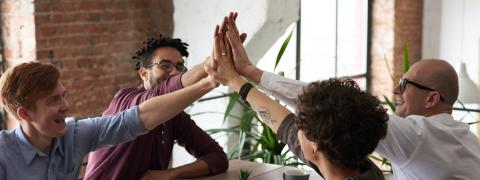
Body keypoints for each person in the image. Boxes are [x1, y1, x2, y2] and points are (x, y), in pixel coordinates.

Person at [222, 12, 480, 180]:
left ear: (432, 98)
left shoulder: (420, 137)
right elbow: (294, 125)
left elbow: (330, 108)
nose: (396, 90)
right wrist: (244, 77)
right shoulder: (374, 174)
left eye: (405, 83)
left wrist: (247, 74)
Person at [204, 14, 388, 179]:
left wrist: (235, 80)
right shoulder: (360, 166)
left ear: (315, 145)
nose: (295, 125)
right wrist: (242, 75)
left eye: (300, 122)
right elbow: (285, 125)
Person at [0, 61, 217, 179]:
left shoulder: (74, 134)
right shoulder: (3, 154)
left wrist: (207, 83)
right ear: (25, 114)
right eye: (53, 100)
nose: (65, 106)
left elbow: (138, 118)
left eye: (64, 95)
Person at [85, 34, 236, 180]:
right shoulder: (125, 100)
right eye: (165, 65)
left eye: (180, 66)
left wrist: (170, 174)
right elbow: (160, 94)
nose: (175, 72)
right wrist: (209, 65)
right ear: (144, 73)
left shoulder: (175, 116)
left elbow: (217, 158)